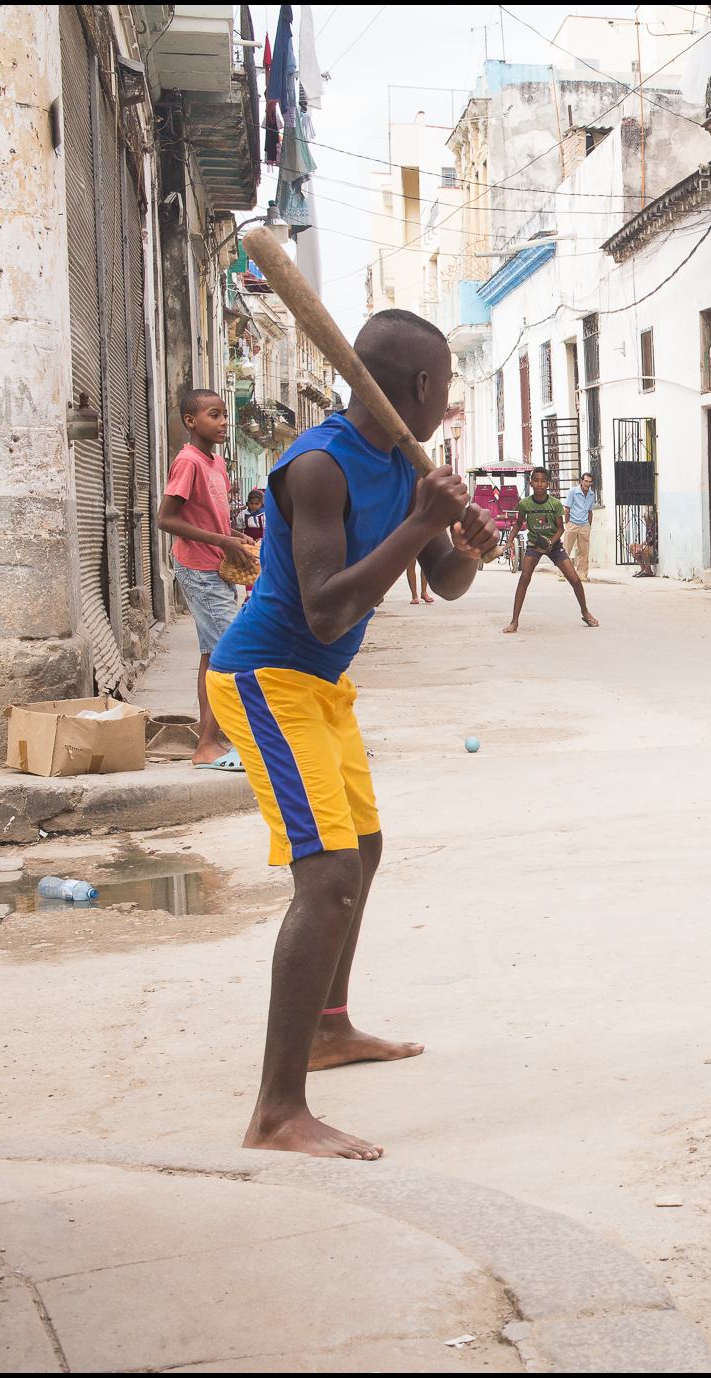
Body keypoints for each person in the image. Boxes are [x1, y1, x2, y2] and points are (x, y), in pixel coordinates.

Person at [204, 308, 499, 1160]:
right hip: (267, 677)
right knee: (327, 876)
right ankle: (276, 1112)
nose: (446, 407)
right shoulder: (320, 466)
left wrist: (468, 540)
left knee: (361, 850)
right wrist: (420, 518)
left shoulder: (404, 465)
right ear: (419, 386)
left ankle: (329, 1029)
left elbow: (441, 581)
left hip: (320, 684)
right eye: (444, 390)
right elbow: (330, 609)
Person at [156, 388, 256, 769]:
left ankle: (209, 741)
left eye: (224, 415)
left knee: (213, 654)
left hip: (216, 565)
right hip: (197, 567)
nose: (223, 422)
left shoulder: (215, 463)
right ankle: (212, 745)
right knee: (233, 652)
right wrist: (220, 540)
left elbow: (207, 516)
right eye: (214, 415)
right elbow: (166, 519)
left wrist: (233, 533)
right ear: (190, 421)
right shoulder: (188, 462)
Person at [503, 465, 600, 633]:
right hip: (534, 546)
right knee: (524, 579)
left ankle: (585, 611)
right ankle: (514, 621)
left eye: (543, 481)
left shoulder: (554, 504)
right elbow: (518, 524)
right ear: (531, 483)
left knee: (575, 580)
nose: (539, 484)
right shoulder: (524, 504)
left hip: (554, 546)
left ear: (548, 484)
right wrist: (509, 540)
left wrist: (550, 542)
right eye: (536, 481)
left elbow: (560, 528)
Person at [565, 471, 598, 580]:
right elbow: (567, 509)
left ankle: (582, 575)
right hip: (572, 524)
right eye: (585, 481)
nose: (587, 484)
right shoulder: (573, 492)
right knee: (565, 551)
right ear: (581, 481)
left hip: (584, 526)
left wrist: (589, 525)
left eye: (590, 482)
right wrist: (568, 524)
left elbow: (590, 511)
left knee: (584, 552)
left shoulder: (591, 494)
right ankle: (562, 573)